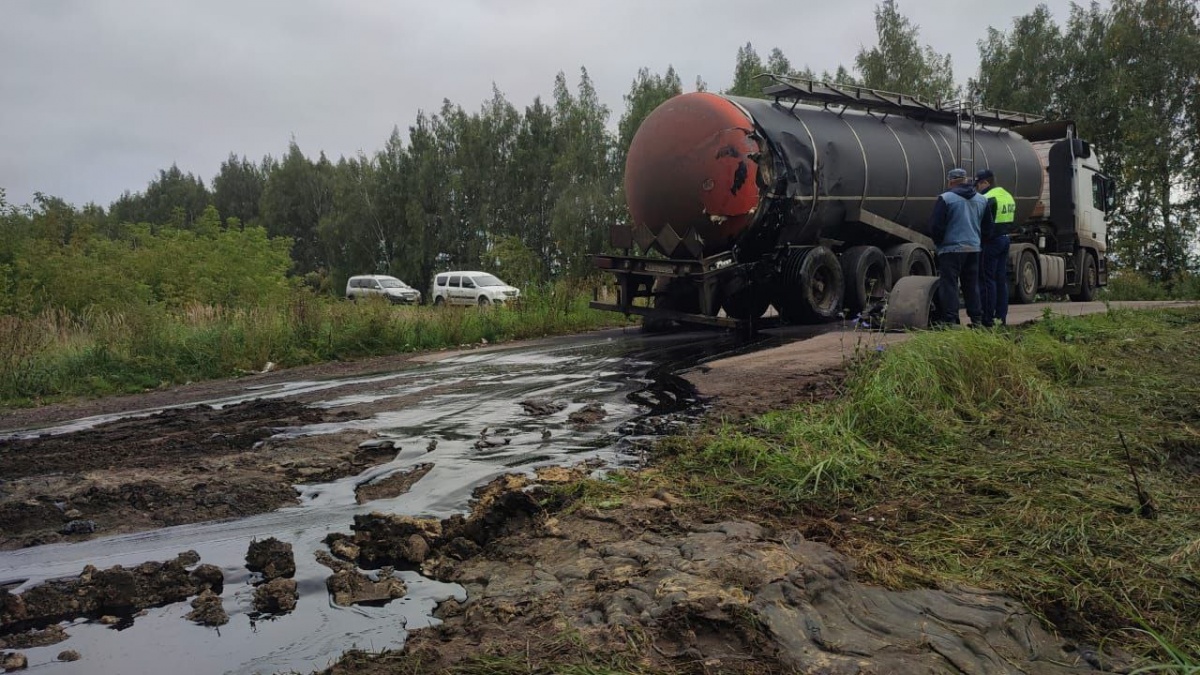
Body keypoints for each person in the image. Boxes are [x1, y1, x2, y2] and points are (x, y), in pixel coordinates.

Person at [929, 167, 992, 326]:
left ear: (950, 181)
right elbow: (988, 228)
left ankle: (951, 320)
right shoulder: (981, 199)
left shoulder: (946, 199)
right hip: (973, 249)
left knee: (950, 285)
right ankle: (976, 320)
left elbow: (937, 226)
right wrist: (978, 242)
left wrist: (939, 242)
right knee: (971, 285)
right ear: (965, 180)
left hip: (951, 249)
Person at [975, 169, 1015, 327]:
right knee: (1000, 280)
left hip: (990, 242)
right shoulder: (1007, 195)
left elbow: (983, 223)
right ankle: (1001, 317)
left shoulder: (987, 198)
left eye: (978, 184)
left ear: (986, 182)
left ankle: (988, 318)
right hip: (1005, 239)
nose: (977, 188)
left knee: (986, 280)